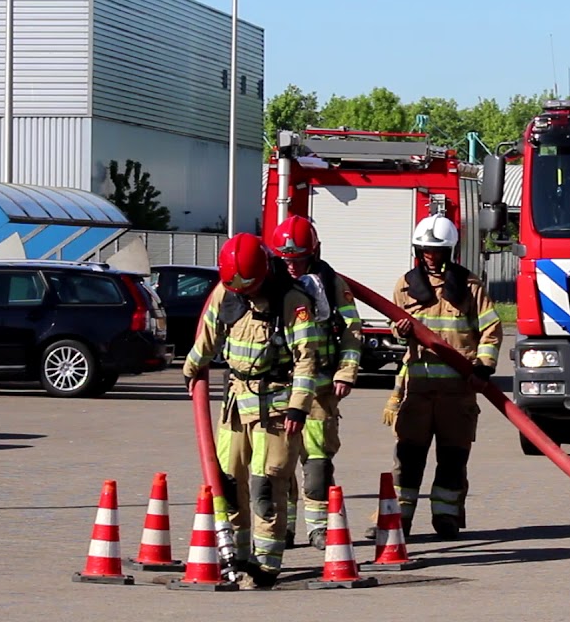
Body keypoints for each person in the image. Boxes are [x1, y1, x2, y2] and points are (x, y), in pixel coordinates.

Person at [181, 232, 321, 589]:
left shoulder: (292, 301)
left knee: (265, 486)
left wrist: (298, 408)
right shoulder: (226, 290)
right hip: (235, 405)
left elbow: (307, 359)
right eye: (236, 289)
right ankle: (237, 556)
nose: (243, 294)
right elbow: (208, 336)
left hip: (275, 408)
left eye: (249, 288)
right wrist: (191, 367)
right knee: (228, 483)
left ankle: (266, 565)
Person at [375, 213, 502, 541]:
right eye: (426, 250)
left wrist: (483, 367)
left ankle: (446, 518)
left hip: (457, 395)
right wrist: (400, 331)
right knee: (408, 459)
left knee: (453, 460)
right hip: (417, 392)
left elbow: (491, 329)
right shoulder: (406, 285)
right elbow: (394, 324)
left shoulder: (469, 286)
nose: (431, 256)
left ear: (450, 251)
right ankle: (397, 520)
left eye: (437, 251)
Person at [267, 215, 363, 552]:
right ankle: (284, 527)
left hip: (321, 388)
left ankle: (319, 528)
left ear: (314, 253)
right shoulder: (271, 285)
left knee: (318, 461)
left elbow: (352, 329)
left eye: (299, 259)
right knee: (279, 462)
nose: (292, 267)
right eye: (286, 260)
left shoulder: (332, 284)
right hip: (280, 389)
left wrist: (345, 372)